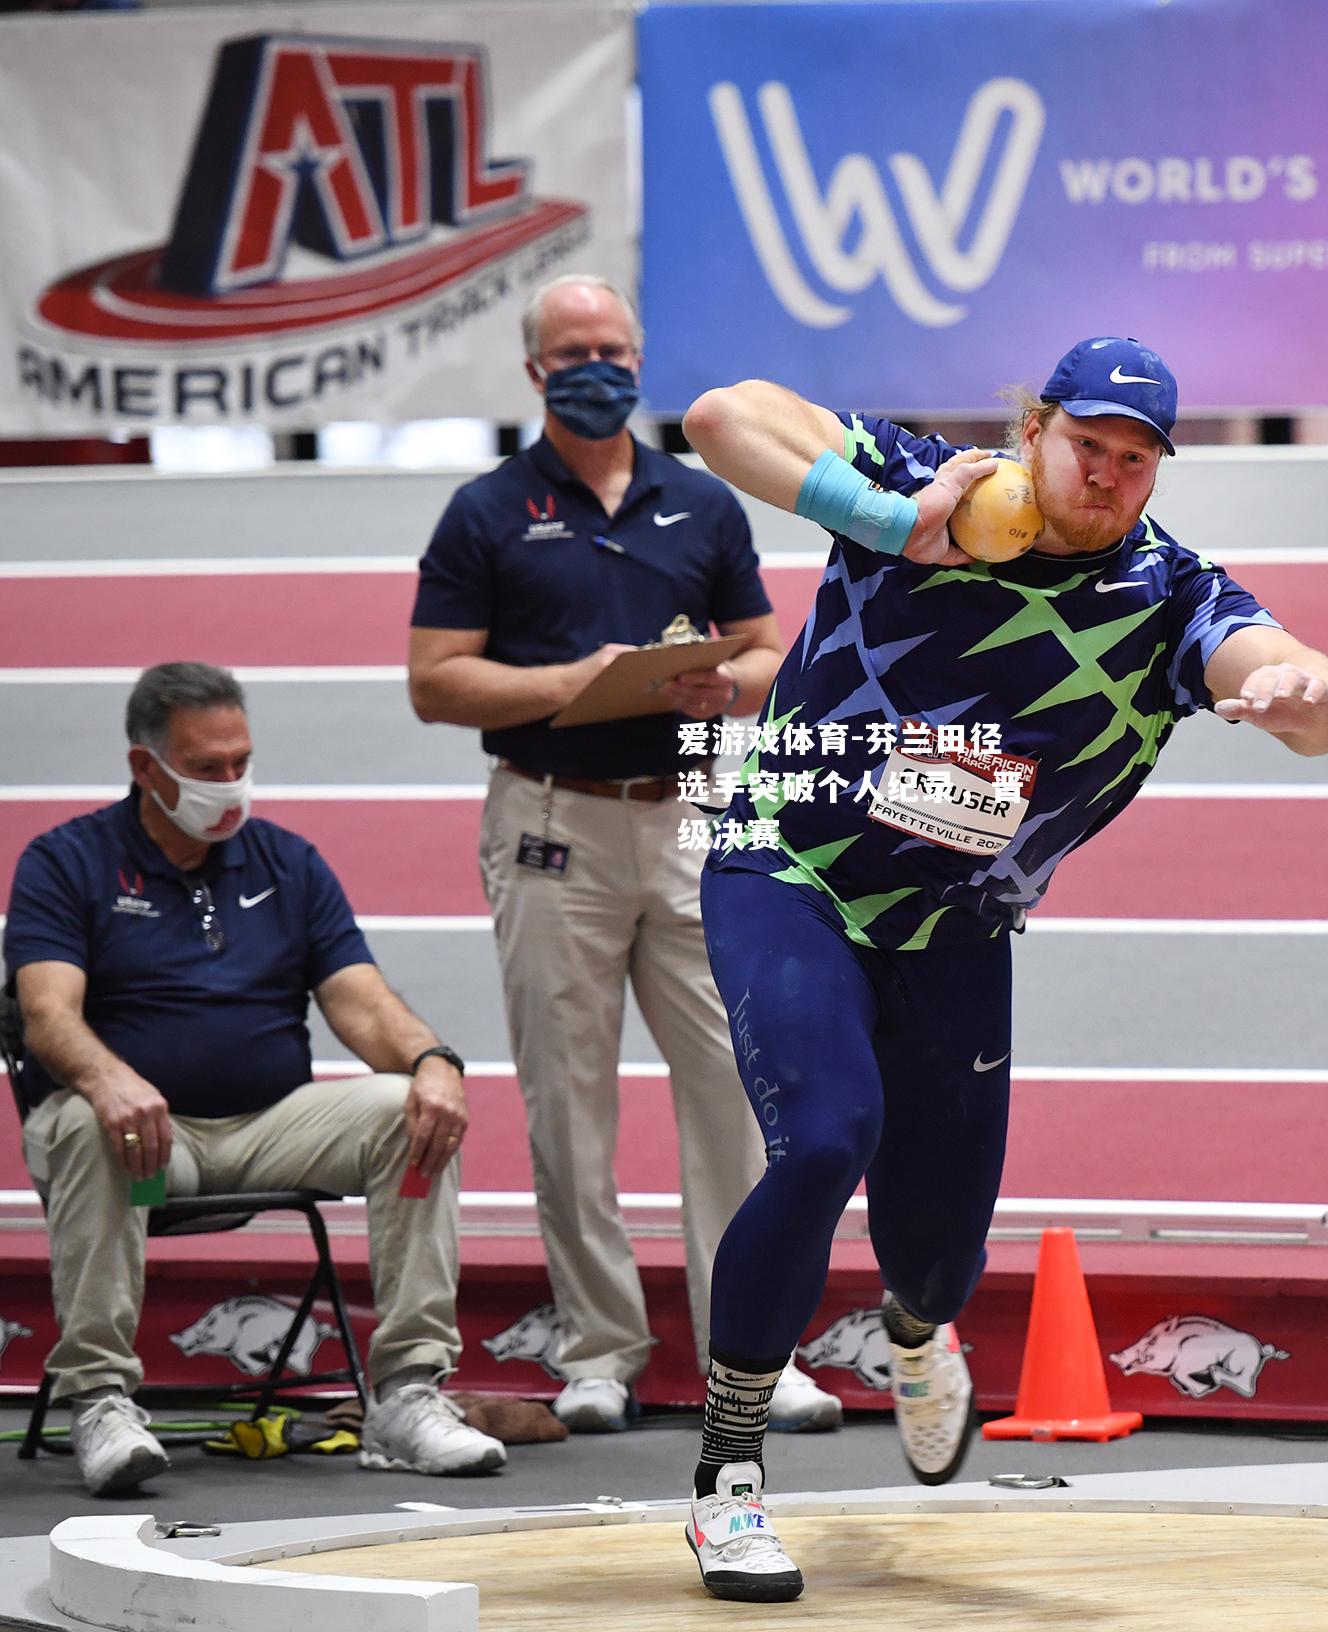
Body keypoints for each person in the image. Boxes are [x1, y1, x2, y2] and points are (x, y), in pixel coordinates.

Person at [675, 336, 1328, 1600]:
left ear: (1156, 474)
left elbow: (1307, 701)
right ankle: (728, 1476)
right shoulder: (925, 483)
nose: (1103, 475)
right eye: (1085, 443)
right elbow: (721, 413)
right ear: (1033, 429)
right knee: (825, 1139)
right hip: (787, 866)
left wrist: (1291, 692)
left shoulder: (1166, 593)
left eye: (1133, 460)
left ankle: (917, 1339)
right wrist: (889, 521)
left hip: (955, 928)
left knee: (937, 1254)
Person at [406, 273, 841, 1433]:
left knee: (735, 1090)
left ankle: (753, 1353)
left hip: (693, 806)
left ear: (640, 359)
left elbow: (768, 656)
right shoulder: (486, 510)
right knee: (567, 1096)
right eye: (574, 349)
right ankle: (597, 1346)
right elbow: (434, 680)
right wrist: (579, 684)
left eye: (614, 346)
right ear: (536, 369)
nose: (598, 364)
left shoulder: (699, 505)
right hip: (552, 819)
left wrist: (721, 682)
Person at [3, 662, 506, 1497]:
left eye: (241, 761)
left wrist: (432, 1061)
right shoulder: (67, 862)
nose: (231, 784)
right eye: (207, 768)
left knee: (408, 1111)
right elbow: (48, 1016)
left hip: (270, 1125)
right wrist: (109, 1079)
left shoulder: (285, 861)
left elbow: (364, 1004)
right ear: (145, 768)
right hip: (144, 1141)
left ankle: (407, 1396)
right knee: (100, 1122)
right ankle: (99, 1399)